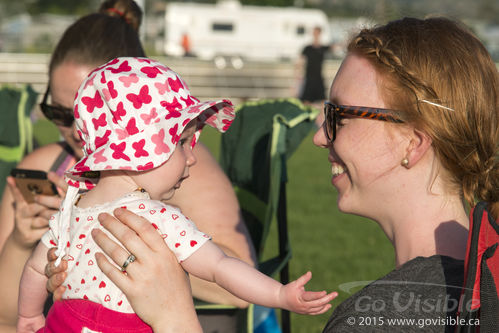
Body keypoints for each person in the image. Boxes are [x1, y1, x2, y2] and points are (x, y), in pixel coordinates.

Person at [47, 16, 498, 333]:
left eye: (338, 116)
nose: (321, 137)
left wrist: (174, 318)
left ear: (412, 142)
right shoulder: (476, 285)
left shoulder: (381, 318)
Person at [16, 57, 336, 332]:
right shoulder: (157, 219)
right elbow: (221, 267)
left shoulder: (71, 209)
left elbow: (33, 268)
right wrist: (279, 296)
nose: (193, 157)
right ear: (143, 149)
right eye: (182, 142)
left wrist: (30, 315)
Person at [0, 0, 256, 331]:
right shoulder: (46, 163)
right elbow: (6, 320)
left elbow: (239, 287)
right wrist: (25, 241)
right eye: (61, 114)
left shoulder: (181, 167)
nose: (80, 132)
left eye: (91, 114)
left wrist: (126, 240)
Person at [297, 26, 331, 103]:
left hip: (318, 77)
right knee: (306, 100)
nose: (315, 34)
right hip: (309, 77)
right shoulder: (307, 48)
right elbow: (300, 62)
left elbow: (336, 47)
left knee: (322, 101)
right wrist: (298, 76)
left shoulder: (323, 48)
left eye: (317, 32)